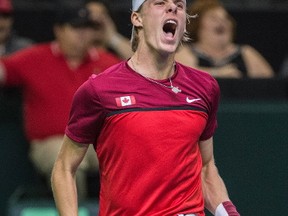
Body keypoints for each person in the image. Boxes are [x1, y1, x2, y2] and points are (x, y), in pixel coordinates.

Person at [51, 0, 240, 215]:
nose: (173, 8)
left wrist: (228, 212)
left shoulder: (204, 87)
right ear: (137, 18)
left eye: (179, 5)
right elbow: (64, 168)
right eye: (160, 3)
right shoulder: (99, 90)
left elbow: (206, 168)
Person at [0, 6, 122, 200]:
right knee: (69, 161)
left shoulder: (106, 62)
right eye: (76, 28)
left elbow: (141, 76)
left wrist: (112, 37)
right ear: (59, 30)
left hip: (97, 142)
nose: (83, 34)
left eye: (87, 28)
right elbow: (3, 71)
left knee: (129, 153)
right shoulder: (36, 57)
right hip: (51, 142)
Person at [175, 0, 274, 78]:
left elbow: (270, 84)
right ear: (198, 25)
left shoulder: (246, 53)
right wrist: (218, 73)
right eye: (213, 18)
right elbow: (181, 76)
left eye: (225, 18)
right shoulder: (186, 51)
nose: (221, 22)